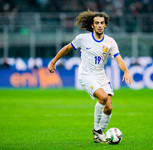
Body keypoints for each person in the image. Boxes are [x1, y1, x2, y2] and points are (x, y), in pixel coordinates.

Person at [48, 9, 134, 143]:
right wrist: (53, 61)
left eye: (102, 23)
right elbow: (67, 48)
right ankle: (97, 129)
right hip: (86, 75)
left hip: (101, 75)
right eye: (97, 23)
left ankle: (98, 137)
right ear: (92, 25)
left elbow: (119, 59)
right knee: (103, 97)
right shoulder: (83, 39)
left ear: (105, 25)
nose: (99, 25)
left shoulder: (110, 42)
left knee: (109, 107)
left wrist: (126, 70)